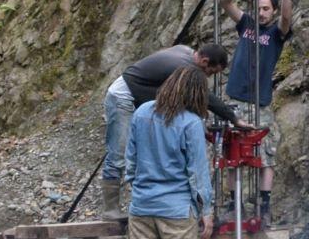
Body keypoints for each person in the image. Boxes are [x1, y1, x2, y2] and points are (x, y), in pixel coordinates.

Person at [120, 65, 215, 239]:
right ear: (196, 94)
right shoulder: (190, 123)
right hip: (176, 208)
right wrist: (206, 209)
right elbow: (197, 172)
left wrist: (136, 186)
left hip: (142, 204)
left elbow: (131, 159)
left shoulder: (142, 112)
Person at [100, 42, 238, 215]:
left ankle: (139, 202)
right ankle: (110, 210)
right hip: (123, 97)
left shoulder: (185, 51)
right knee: (118, 153)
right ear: (204, 61)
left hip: (138, 97)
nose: (208, 77)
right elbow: (205, 97)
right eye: (211, 72)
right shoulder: (183, 67)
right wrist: (233, 118)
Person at [219, 0, 295, 221]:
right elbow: (223, 1)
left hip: (260, 101)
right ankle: (234, 203)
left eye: (265, 9)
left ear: (271, 11)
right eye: (258, 8)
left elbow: (286, 16)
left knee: (266, 154)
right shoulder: (246, 25)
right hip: (235, 98)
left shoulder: (276, 34)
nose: (261, 13)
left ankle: (264, 203)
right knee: (232, 152)